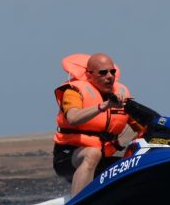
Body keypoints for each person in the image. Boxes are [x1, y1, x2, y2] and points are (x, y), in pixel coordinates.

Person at [52, 53, 143, 196]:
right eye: (103, 73)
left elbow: (143, 126)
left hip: (103, 159)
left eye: (112, 72)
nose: (110, 76)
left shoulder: (120, 96)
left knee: (136, 163)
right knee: (92, 153)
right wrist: (105, 106)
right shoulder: (73, 91)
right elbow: (73, 118)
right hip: (68, 157)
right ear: (89, 74)